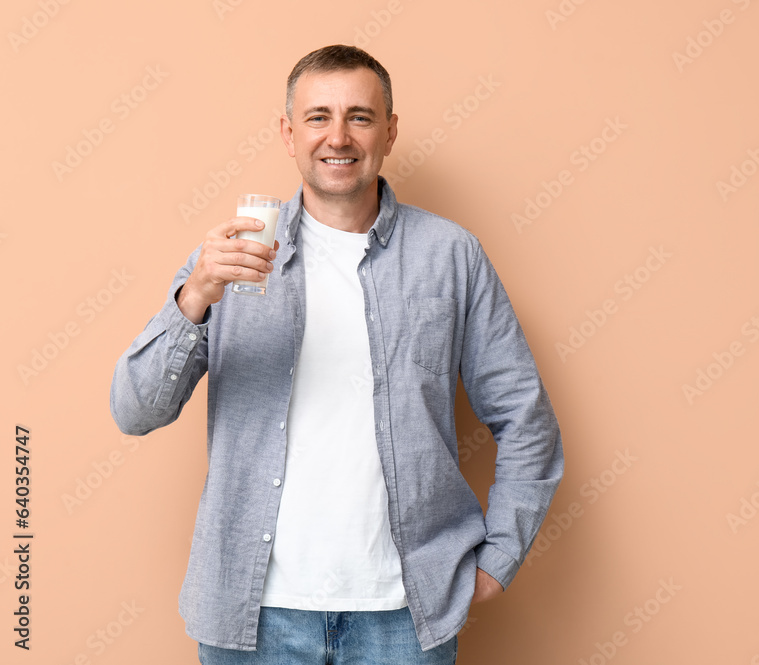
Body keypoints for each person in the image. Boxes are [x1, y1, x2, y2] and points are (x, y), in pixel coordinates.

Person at [110, 45, 563, 664]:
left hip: (406, 616)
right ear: (288, 132)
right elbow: (135, 411)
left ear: (390, 131)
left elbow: (524, 419)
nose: (338, 136)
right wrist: (192, 300)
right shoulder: (232, 259)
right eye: (318, 116)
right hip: (253, 616)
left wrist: (500, 557)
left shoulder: (450, 256)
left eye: (361, 116)